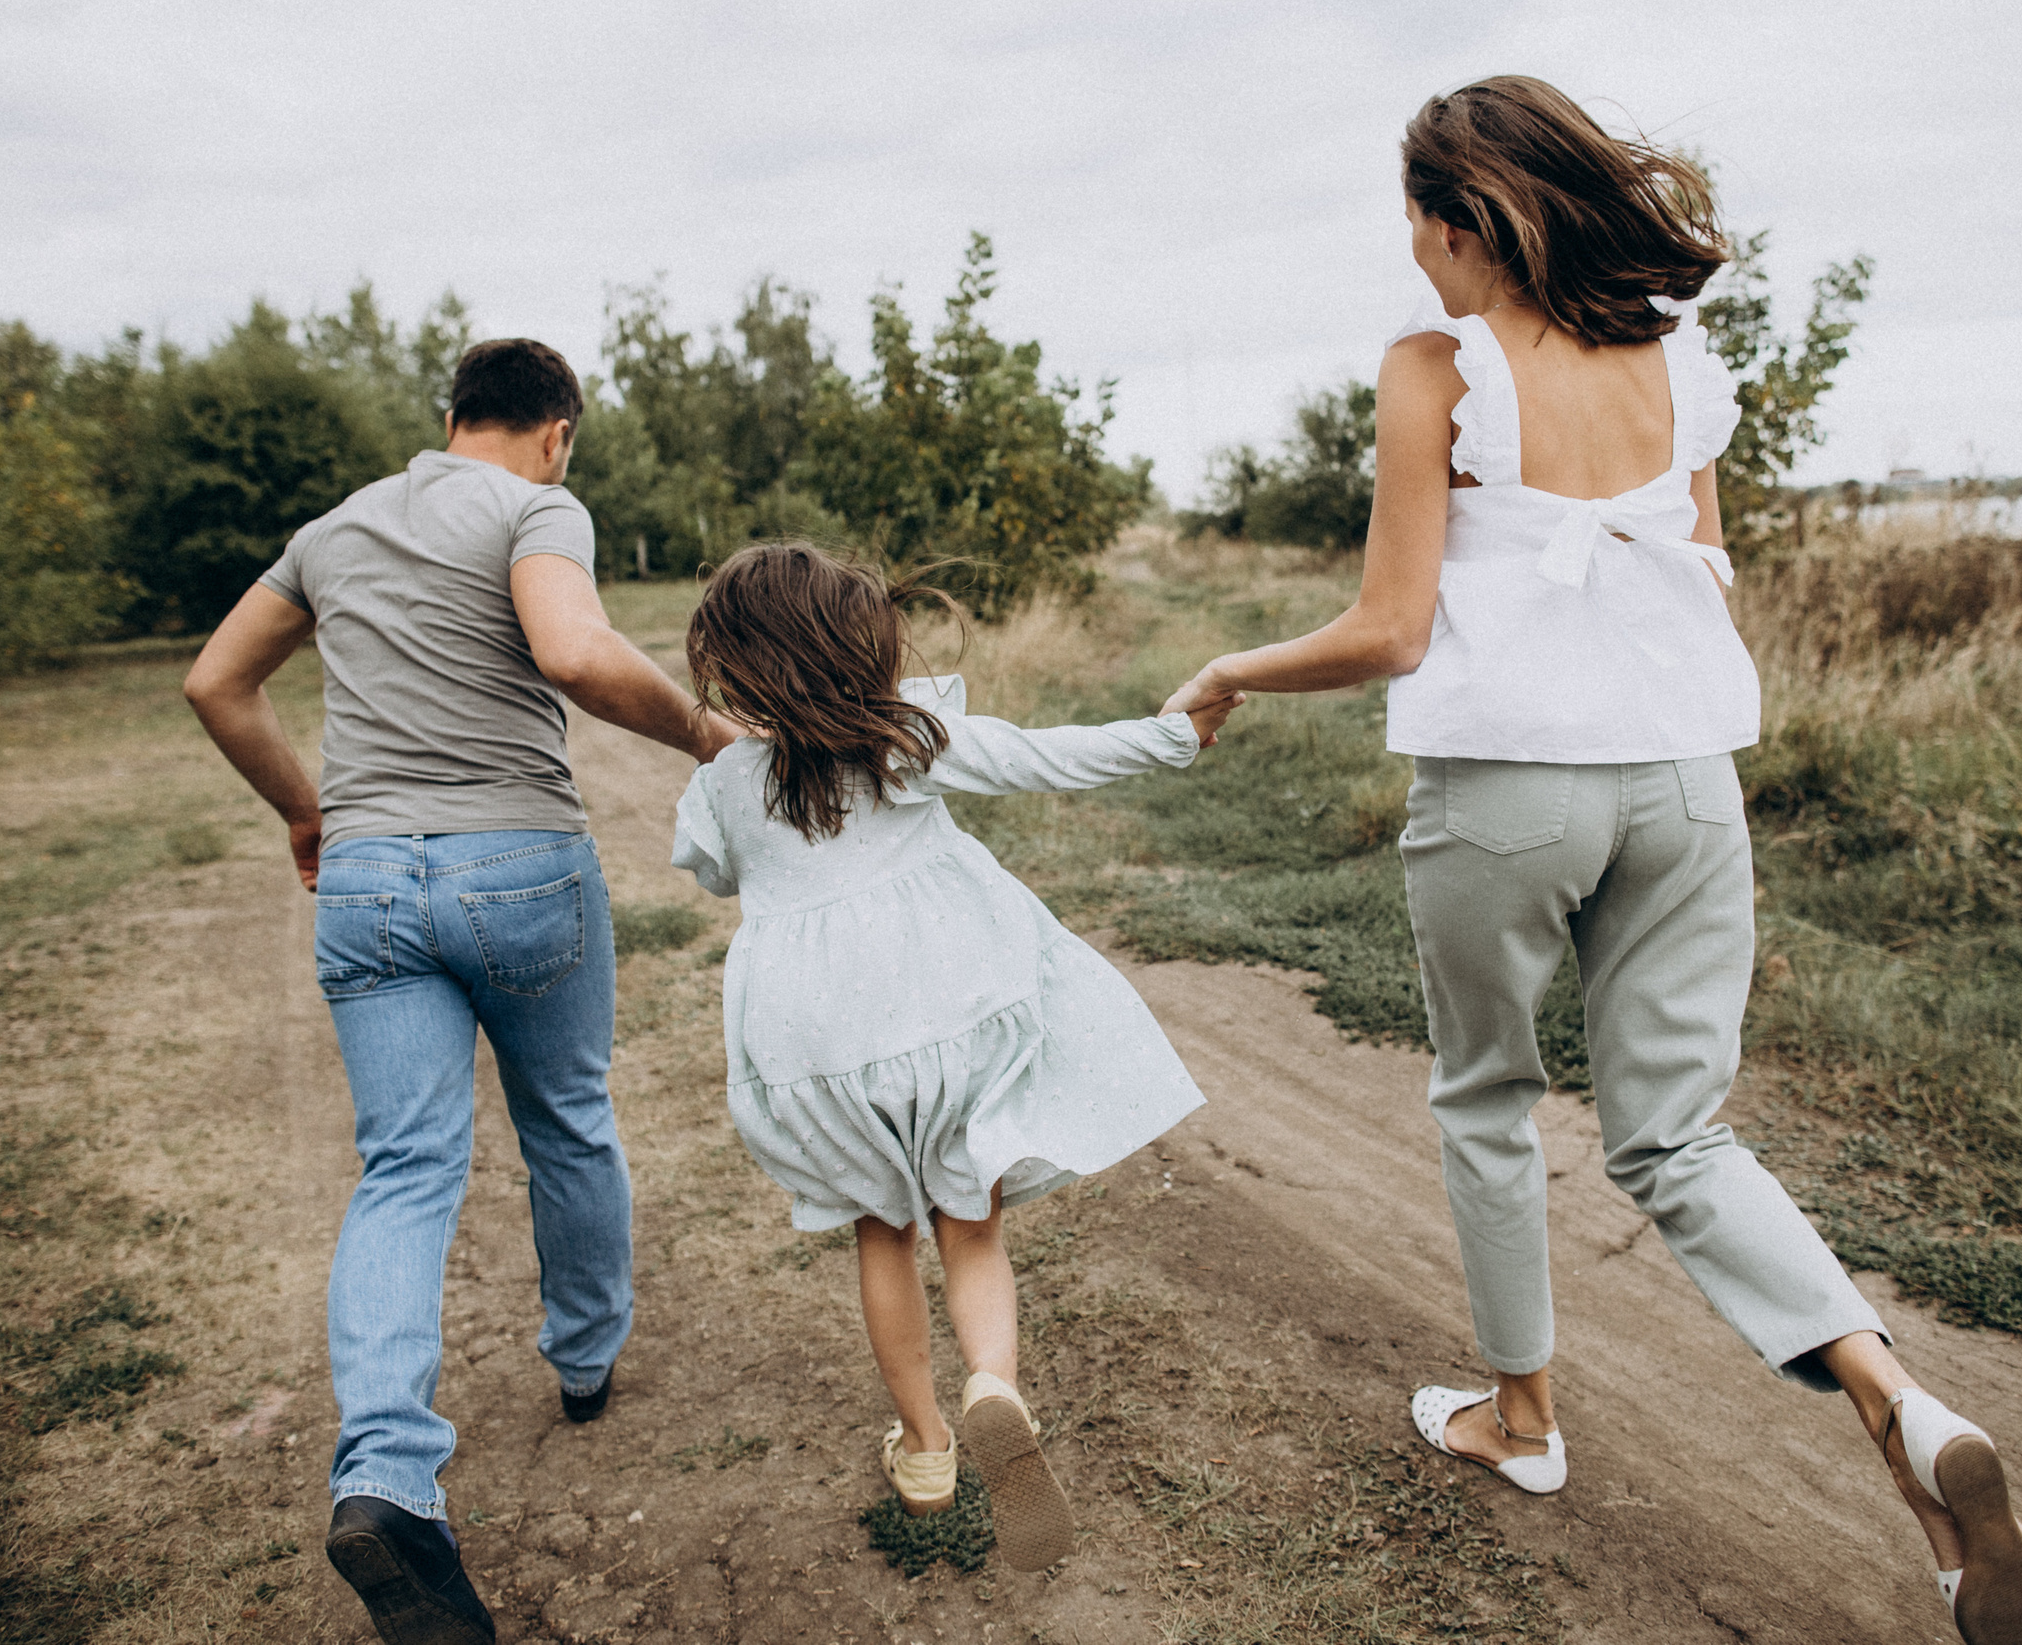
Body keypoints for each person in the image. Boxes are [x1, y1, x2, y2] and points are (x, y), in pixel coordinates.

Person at [1157, 77, 2022, 1645]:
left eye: (1420, 227)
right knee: (1682, 1136)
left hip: (1515, 787)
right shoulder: (1681, 367)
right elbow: (1694, 566)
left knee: (1491, 1097)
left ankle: (1524, 1416)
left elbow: (1390, 628)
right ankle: (1902, 1403)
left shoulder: (1436, 366)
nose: (1417, 259)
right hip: (1689, 782)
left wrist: (1231, 664)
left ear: (1465, 219)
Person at [184, 337, 736, 1645]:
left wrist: (308, 811)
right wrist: (713, 738)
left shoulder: (331, 529)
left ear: (447, 419)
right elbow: (578, 653)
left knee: (405, 1170)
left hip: (368, 881)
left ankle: (383, 1474)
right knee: (569, 1116)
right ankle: (586, 1361)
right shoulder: (540, 505)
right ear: (558, 432)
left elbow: (216, 681)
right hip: (519, 865)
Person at [669, 543, 1237, 1571]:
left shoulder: (724, 783)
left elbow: (710, 871)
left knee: (881, 1229)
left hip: (819, 1047)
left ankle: (927, 1450)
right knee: (968, 1224)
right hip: (946, 1011)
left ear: (736, 671)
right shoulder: (905, 742)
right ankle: (994, 1385)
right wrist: (1173, 739)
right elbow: (1043, 756)